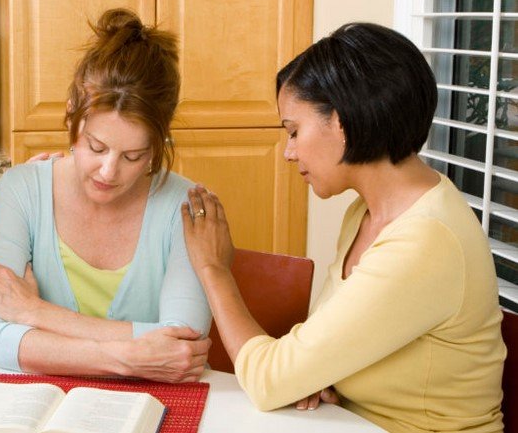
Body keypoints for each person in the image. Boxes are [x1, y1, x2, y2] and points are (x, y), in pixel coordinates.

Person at [181, 23, 506, 432]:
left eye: (294, 131)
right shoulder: (366, 213)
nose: (289, 152)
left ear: (341, 121)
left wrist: (214, 270)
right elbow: (316, 351)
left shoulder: (426, 239)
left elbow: (269, 380)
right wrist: (313, 376)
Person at [0, 8, 212, 383]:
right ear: (72, 115)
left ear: (158, 144)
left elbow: (183, 347)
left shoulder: (185, 206)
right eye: (96, 147)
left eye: (134, 156)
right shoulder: (20, 191)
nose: (108, 172)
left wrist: (35, 313)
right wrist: (126, 357)